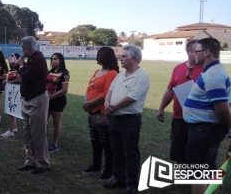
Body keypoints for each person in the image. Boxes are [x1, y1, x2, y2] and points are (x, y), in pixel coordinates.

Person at [183, 38, 230, 194]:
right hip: (206, 130)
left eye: (197, 51)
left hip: (204, 131)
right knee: (208, 169)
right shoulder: (211, 71)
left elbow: (223, 109)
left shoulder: (214, 75)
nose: (194, 55)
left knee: (198, 173)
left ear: (207, 52)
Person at [103, 45, 150, 194]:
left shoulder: (142, 76)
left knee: (131, 152)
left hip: (130, 120)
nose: (120, 58)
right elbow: (110, 90)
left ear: (134, 58)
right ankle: (118, 177)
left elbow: (132, 98)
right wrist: (106, 104)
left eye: (124, 56)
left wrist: (112, 107)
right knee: (116, 150)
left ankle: (132, 183)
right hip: (115, 119)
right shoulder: (120, 74)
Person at [156, 39, 202, 163]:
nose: (201, 53)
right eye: (197, 50)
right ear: (189, 51)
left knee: (196, 153)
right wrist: (161, 109)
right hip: (179, 118)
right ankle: (182, 180)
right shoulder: (178, 68)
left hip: (198, 120)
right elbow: (170, 90)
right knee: (178, 152)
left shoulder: (206, 69)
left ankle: (194, 181)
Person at [82, 47, 119, 184]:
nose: (97, 57)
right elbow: (89, 88)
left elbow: (106, 94)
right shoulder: (97, 72)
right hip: (92, 111)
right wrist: (86, 101)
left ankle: (108, 169)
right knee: (94, 139)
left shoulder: (112, 73)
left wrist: (90, 103)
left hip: (101, 112)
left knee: (105, 141)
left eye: (100, 55)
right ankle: (96, 165)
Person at [16, 36, 50, 175]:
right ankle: (31, 160)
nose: (22, 51)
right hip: (29, 100)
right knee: (28, 133)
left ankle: (42, 163)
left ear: (26, 48)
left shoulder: (38, 60)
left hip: (37, 100)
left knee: (38, 133)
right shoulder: (32, 59)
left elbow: (27, 76)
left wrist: (21, 66)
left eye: (23, 48)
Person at [46, 53, 70, 153]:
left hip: (58, 101)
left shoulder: (64, 73)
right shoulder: (50, 71)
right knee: (44, 121)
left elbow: (65, 90)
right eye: (52, 59)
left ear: (61, 60)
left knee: (56, 122)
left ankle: (54, 144)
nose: (53, 61)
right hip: (48, 100)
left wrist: (52, 96)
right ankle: (43, 140)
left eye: (55, 59)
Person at [1, 53, 21, 138]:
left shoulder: (20, 69)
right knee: (12, 111)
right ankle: (14, 127)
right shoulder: (11, 69)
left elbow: (19, 80)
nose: (11, 59)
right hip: (11, 92)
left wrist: (7, 82)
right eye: (11, 57)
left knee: (12, 111)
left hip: (17, 93)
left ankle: (11, 131)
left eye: (13, 57)